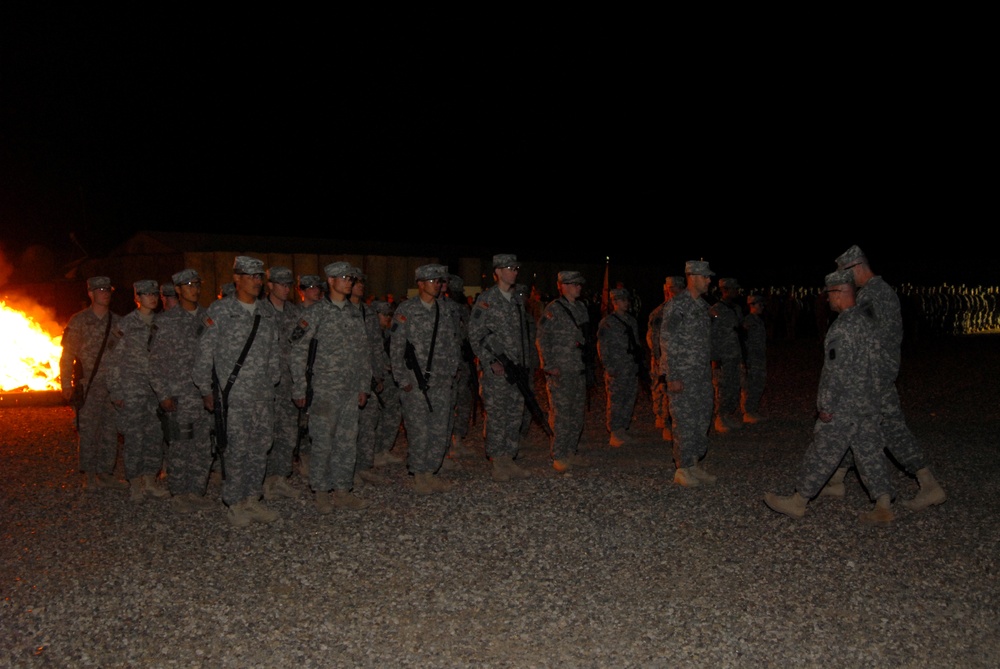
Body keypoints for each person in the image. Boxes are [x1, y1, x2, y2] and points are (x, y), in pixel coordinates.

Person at [764, 269, 895, 524]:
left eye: (829, 295)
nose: (827, 300)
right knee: (870, 451)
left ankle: (799, 500)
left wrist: (825, 404)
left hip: (845, 404)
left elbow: (834, 371)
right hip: (868, 401)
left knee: (823, 449)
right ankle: (883, 505)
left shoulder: (842, 327)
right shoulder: (869, 321)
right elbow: (882, 363)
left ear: (840, 293)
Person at [822, 245, 946, 511]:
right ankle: (837, 478)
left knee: (888, 427)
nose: (843, 282)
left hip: (875, 376)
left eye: (844, 274)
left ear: (856, 267)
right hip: (877, 373)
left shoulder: (872, 296)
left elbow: (864, 337)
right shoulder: (880, 291)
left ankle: (928, 483)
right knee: (856, 421)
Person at [194, 256, 283, 527]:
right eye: (251, 276)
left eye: (260, 277)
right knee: (235, 448)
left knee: (260, 446)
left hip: (262, 395)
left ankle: (252, 499)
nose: (257, 281)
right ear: (237, 278)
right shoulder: (220, 311)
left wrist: (273, 379)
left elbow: (273, 352)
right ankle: (234, 502)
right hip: (233, 396)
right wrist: (206, 389)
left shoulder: (265, 313)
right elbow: (204, 353)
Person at [289, 261, 372, 513]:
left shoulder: (354, 313)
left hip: (349, 390)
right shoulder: (315, 314)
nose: (349, 281)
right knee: (323, 441)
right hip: (324, 389)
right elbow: (298, 352)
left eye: (351, 277)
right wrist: (300, 388)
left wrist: (363, 385)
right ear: (331, 281)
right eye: (344, 277)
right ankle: (321, 491)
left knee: (347, 441)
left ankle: (343, 489)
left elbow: (363, 352)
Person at [148, 268, 216, 514]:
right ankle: (179, 493)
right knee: (180, 446)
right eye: (188, 284)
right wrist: (163, 394)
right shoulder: (165, 322)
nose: (194, 289)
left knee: (203, 446)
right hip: (179, 396)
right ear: (177, 289)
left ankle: (197, 491)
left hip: (204, 395)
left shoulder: (208, 318)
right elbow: (153, 363)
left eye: (197, 284)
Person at [390, 263, 461, 494]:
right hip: (415, 383)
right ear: (420, 284)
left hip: (441, 381)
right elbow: (396, 348)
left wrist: (451, 372)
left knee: (439, 429)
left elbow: (453, 344)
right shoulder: (407, 310)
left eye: (439, 281)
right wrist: (403, 380)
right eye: (432, 280)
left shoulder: (446, 309)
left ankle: (431, 471)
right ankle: (419, 474)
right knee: (419, 430)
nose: (437, 285)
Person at [468, 254, 535, 481]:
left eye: (516, 267)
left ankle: (509, 458)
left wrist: (526, 365)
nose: (514, 271)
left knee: (514, 413)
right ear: (497, 272)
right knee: (497, 415)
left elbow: (523, 336)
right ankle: (498, 462)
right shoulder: (487, 300)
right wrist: (490, 361)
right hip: (497, 370)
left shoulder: (517, 300)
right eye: (509, 268)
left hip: (517, 368)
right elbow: (475, 335)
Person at [59, 276, 127, 490]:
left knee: (110, 430)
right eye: (100, 289)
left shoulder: (117, 322)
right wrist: (66, 384)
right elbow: (67, 355)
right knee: (88, 431)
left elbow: (125, 355)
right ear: (90, 293)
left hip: (113, 386)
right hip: (88, 386)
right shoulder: (79, 321)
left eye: (108, 289)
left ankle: (105, 473)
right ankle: (89, 476)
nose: (105, 293)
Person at [105, 279, 171, 502]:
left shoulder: (162, 324)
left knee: (154, 436)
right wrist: (116, 391)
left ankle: (150, 481)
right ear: (137, 298)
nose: (152, 297)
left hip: (156, 391)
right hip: (132, 389)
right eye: (147, 294)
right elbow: (112, 361)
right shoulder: (125, 326)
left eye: (155, 293)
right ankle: (134, 483)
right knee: (134, 437)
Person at [661, 260, 717, 488]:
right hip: (682, 376)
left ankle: (693, 463)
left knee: (701, 419)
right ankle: (682, 468)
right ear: (692, 277)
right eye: (705, 276)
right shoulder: (677, 306)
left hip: (701, 375)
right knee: (684, 421)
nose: (709, 280)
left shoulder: (703, 307)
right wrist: (671, 375)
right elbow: (667, 340)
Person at [537, 270, 591, 472]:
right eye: (575, 284)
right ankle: (559, 454)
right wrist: (549, 365)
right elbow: (542, 338)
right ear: (564, 286)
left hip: (578, 368)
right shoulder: (553, 310)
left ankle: (571, 451)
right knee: (561, 414)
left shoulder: (581, 309)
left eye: (579, 284)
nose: (579, 287)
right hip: (561, 369)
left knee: (577, 413)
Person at [258, 266, 303, 502]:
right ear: (271, 285)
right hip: (265, 384)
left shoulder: (294, 313)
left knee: (288, 433)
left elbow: (300, 347)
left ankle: (280, 478)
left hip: (289, 382)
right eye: (282, 284)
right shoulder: (259, 311)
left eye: (289, 285)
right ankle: (264, 480)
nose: (286, 289)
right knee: (266, 433)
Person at [349, 267, 392, 487]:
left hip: (369, 379)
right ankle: (347, 470)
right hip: (347, 379)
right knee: (348, 428)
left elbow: (376, 346)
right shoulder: (341, 310)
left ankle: (364, 466)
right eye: (355, 281)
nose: (359, 285)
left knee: (368, 423)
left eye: (361, 282)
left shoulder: (367, 312)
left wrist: (379, 374)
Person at [597, 288, 642, 447]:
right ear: (614, 302)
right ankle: (615, 431)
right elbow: (602, 347)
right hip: (617, 367)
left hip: (630, 366)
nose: (626, 303)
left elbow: (636, 344)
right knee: (616, 399)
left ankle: (623, 428)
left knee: (629, 397)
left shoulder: (632, 321)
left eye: (627, 300)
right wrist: (608, 366)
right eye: (622, 300)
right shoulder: (607, 323)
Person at [293, 273, 326, 477]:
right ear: (302, 291)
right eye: (310, 287)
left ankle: (310, 457)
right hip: (301, 371)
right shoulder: (296, 313)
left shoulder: (323, 312)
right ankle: (301, 455)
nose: (315, 290)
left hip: (319, 374)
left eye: (317, 287)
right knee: (300, 420)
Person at [647, 276, 684, 442]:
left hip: (679, 359)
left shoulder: (682, 310)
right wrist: (659, 360)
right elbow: (655, 340)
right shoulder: (660, 312)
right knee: (664, 392)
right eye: (674, 289)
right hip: (664, 360)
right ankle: (665, 423)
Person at [370, 300, 405, 468]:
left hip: (391, 381)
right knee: (376, 417)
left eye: (390, 315)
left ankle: (384, 449)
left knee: (392, 414)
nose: (388, 318)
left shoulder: (389, 333)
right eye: (385, 315)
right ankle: (375, 451)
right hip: (378, 380)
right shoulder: (369, 333)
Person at [446, 274, 477, 459]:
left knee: (464, 401)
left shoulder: (464, 309)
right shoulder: (444, 308)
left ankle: (458, 439)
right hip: (450, 363)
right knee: (450, 403)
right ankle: (447, 443)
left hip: (464, 361)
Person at [709, 277, 746, 433]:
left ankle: (728, 415)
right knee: (722, 388)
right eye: (733, 289)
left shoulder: (736, 309)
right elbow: (711, 335)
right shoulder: (716, 310)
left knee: (734, 387)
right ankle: (720, 418)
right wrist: (715, 358)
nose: (736, 292)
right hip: (723, 356)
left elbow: (740, 331)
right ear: (725, 291)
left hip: (735, 354)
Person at [513, 282, 542, 445]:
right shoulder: (510, 318)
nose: (522, 299)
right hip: (515, 367)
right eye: (519, 295)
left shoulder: (529, 319)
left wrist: (536, 362)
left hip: (528, 365)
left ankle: (522, 433)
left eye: (524, 296)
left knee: (529, 398)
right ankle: (513, 436)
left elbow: (534, 342)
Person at [741, 293, 768, 423]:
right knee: (752, 385)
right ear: (752, 305)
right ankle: (748, 411)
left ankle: (753, 409)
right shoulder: (749, 321)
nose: (762, 307)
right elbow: (743, 340)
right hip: (752, 359)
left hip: (759, 357)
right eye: (759, 304)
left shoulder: (758, 320)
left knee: (759, 383)